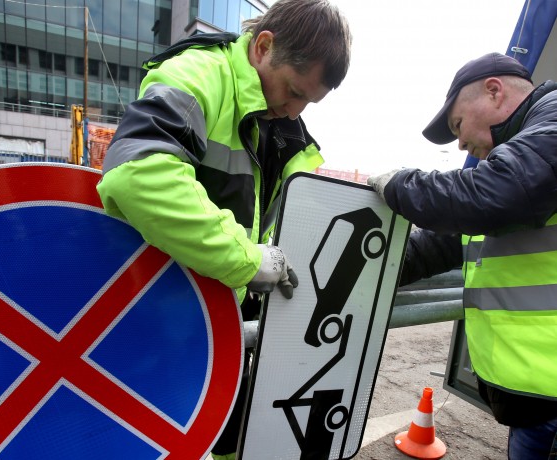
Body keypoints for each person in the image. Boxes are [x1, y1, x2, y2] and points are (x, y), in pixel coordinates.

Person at [97, 0, 352, 458]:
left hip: (219, 323)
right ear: (263, 46)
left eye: (308, 102)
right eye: (293, 91)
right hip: (158, 323)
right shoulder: (199, 75)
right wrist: (248, 260)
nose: (295, 112)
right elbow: (139, 173)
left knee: (228, 439)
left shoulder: (281, 126)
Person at [368, 52, 557, 459]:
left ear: (493, 91)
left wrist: (401, 185)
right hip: (533, 406)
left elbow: (502, 194)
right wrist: (368, 272)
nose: (459, 142)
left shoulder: (552, 122)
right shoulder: (510, 163)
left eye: (457, 124)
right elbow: (439, 244)